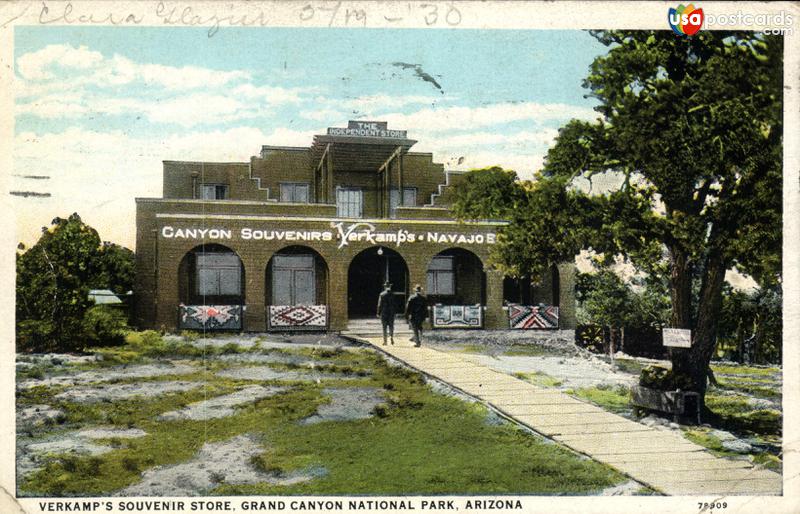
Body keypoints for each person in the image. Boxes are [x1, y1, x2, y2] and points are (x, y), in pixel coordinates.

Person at [376, 281, 396, 345]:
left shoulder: (382, 294)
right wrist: (395, 312)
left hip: (384, 313)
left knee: (384, 327)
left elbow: (379, 305)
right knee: (391, 326)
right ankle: (391, 337)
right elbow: (395, 305)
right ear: (390, 286)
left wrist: (378, 313)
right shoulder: (393, 294)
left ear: (385, 287)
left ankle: (385, 341)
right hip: (391, 313)